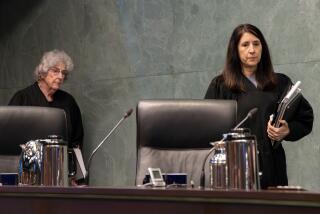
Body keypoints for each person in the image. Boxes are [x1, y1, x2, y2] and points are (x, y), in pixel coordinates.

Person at [204, 24, 314, 189]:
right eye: (245, 45)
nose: (252, 50)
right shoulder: (221, 85)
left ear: (263, 48)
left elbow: (305, 117)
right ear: (235, 50)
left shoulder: (280, 82)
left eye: (256, 44)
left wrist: (287, 130)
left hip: (272, 164)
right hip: (236, 165)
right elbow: (207, 125)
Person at [8, 49, 84, 150]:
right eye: (55, 71)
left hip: (62, 163)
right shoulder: (22, 98)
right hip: (29, 164)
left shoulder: (69, 101)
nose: (61, 76)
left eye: (63, 72)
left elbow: (76, 140)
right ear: (43, 72)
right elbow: (9, 136)